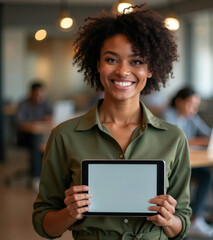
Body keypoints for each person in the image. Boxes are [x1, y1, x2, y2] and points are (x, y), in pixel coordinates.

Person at [32, 5, 192, 240]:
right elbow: (43, 223)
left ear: (151, 69)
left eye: (136, 61)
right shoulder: (64, 136)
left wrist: (169, 220)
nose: (123, 71)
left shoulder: (174, 138)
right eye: (111, 59)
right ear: (97, 65)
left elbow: (182, 223)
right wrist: (69, 213)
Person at [162, 87, 213, 238]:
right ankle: (182, 221)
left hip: (189, 163)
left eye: (196, 105)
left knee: (206, 174)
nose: (194, 109)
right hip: (172, 167)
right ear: (179, 102)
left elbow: (208, 134)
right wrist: (203, 140)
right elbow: (178, 141)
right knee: (181, 180)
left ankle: (195, 217)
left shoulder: (192, 116)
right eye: (191, 104)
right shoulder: (167, 115)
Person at [16, 81, 52, 189]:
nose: (39, 98)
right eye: (37, 95)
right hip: (25, 136)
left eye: (42, 95)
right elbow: (20, 121)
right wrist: (40, 119)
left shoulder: (45, 102)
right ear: (31, 93)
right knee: (36, 143)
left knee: (48, 141)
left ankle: (45, 175)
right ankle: (36, 177)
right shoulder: (24, 104)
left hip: (42, 134)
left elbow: (51, 114)